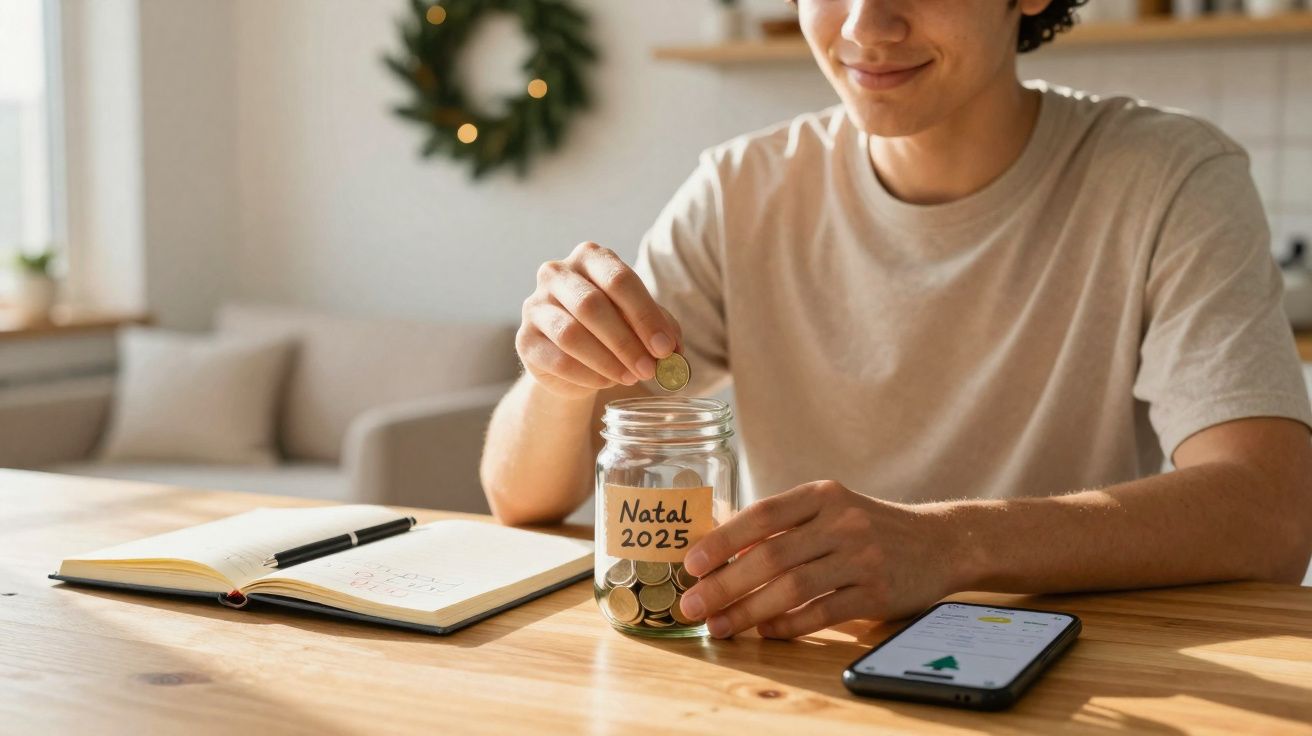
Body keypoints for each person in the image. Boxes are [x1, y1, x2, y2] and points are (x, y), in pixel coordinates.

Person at [480, 0, 1312, 640]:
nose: (866, 25)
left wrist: (954, 545)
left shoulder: (1169, 179)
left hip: (1068, 669)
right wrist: (556, 380)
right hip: (790, 667)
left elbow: (1272, 515)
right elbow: (521, 497)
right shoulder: (739, 190)